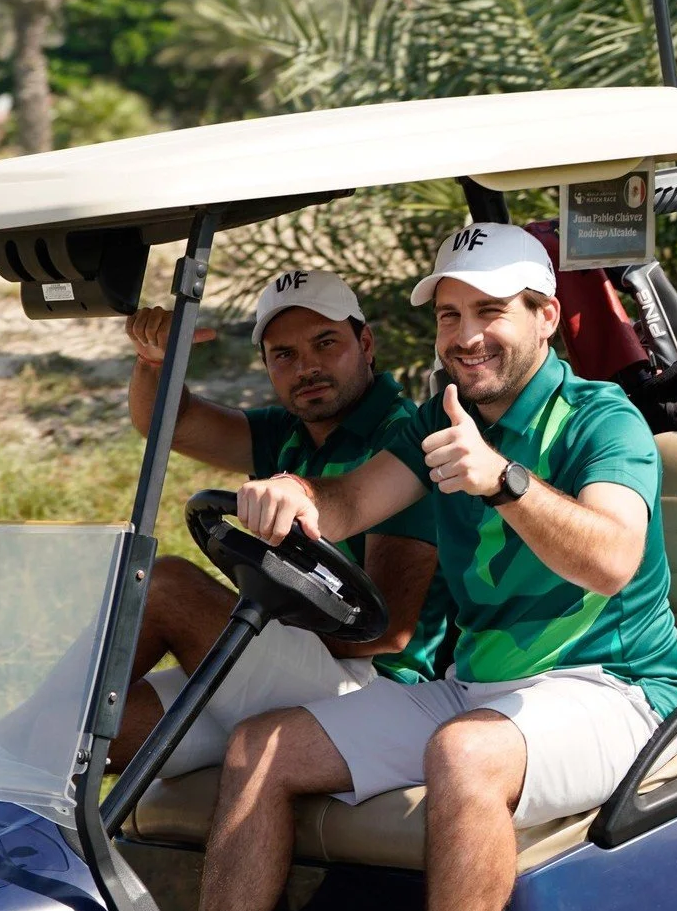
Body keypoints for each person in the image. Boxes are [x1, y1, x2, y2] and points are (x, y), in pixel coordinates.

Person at [195, 224, 677, 911]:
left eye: (490, 312)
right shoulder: (437, 421)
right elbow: (346, 504)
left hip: (616, 689)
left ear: (545, 316)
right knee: (264, 744)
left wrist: (503, 482)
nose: (465, 335)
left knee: (462, 753)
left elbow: (614, 557)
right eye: (450, 315)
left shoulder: (600, 419)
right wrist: (297, 501)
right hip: (482, 686)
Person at [108, 269, 451, 779]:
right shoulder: (287, 434)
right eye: (284, 355)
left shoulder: (401, 438)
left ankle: (1, 754)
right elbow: (170, 423)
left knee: (169, 587)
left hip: (375, 687)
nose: (307, 367)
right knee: (90, 741)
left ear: (366, 343)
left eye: (325, 343)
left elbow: (389, 633)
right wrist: (154, 362)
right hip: (300, 663)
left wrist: (250, 624)